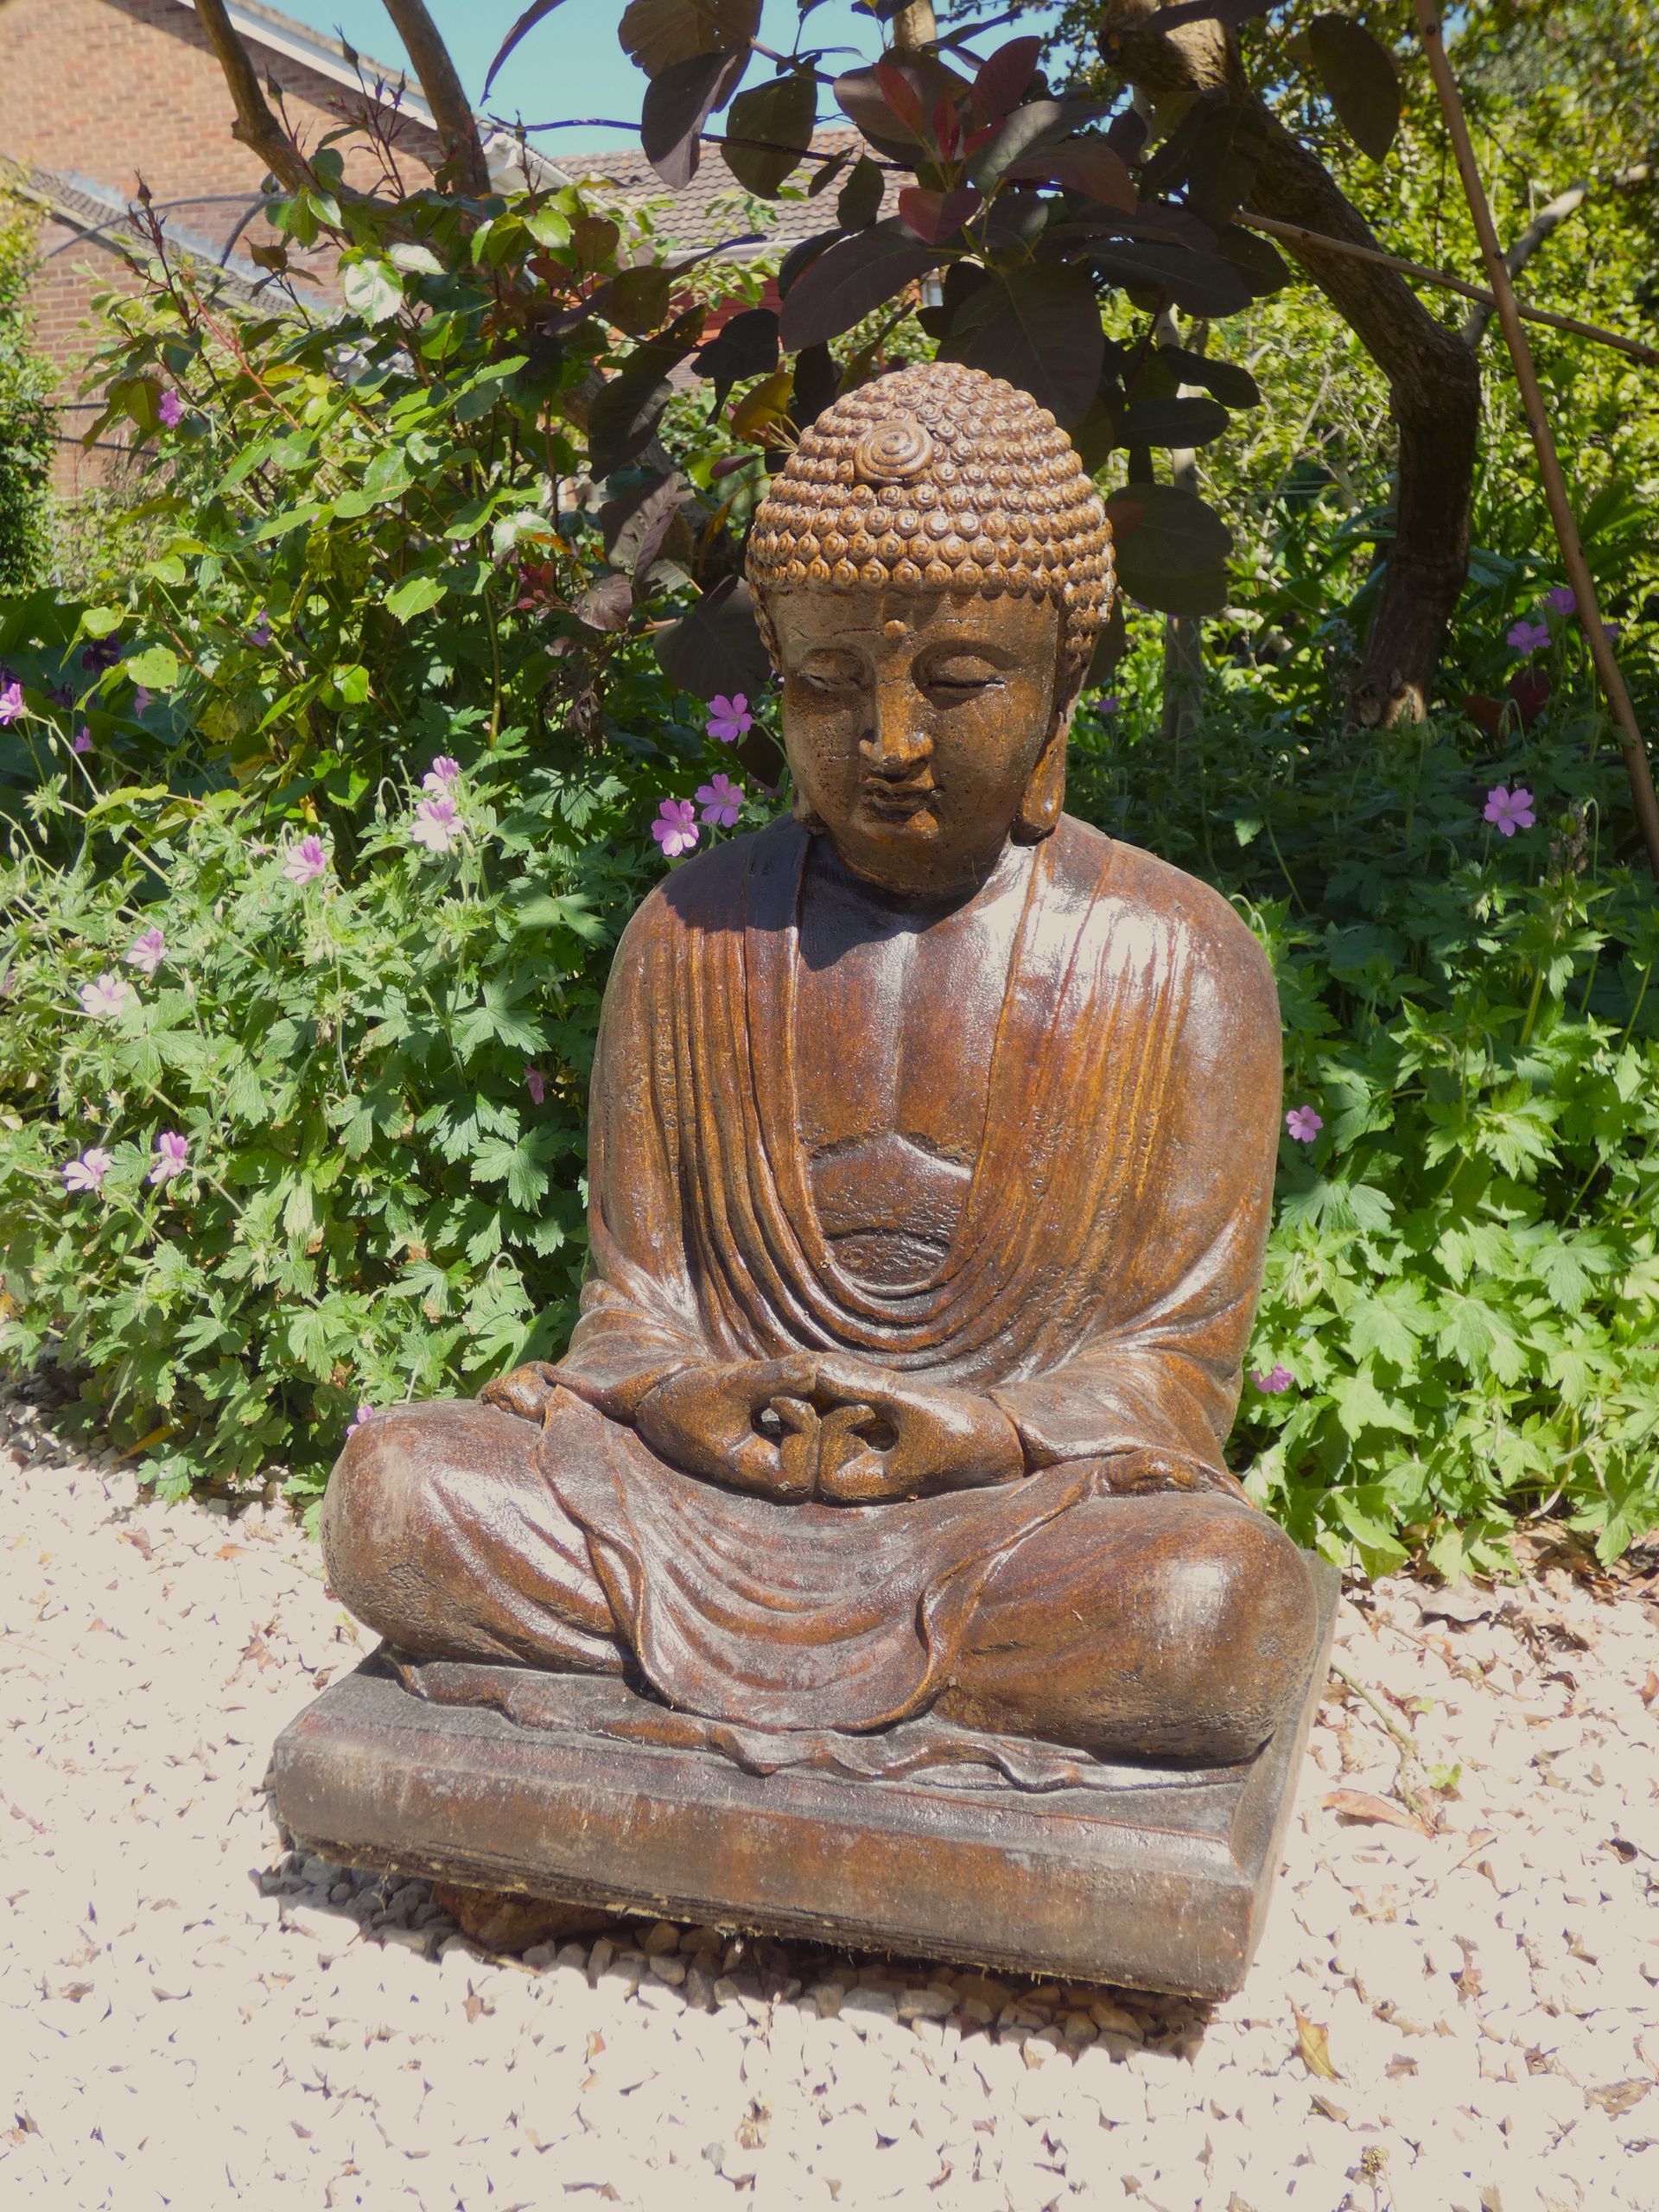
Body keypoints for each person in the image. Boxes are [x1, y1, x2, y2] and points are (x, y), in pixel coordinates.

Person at [321, 361, 1317, 1767]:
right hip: (700, 1506)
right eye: (828, 683)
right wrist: (679, 1397)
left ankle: (727, 1687)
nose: (890, 743)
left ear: (1064, 685)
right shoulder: (688, 935)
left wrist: (986, 1433)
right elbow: (634, 1304)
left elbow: (1173, 1363)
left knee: (1211, 1610)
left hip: (1004, 1513)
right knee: (399, 1494)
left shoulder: (1181, 959)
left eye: (959, 684)